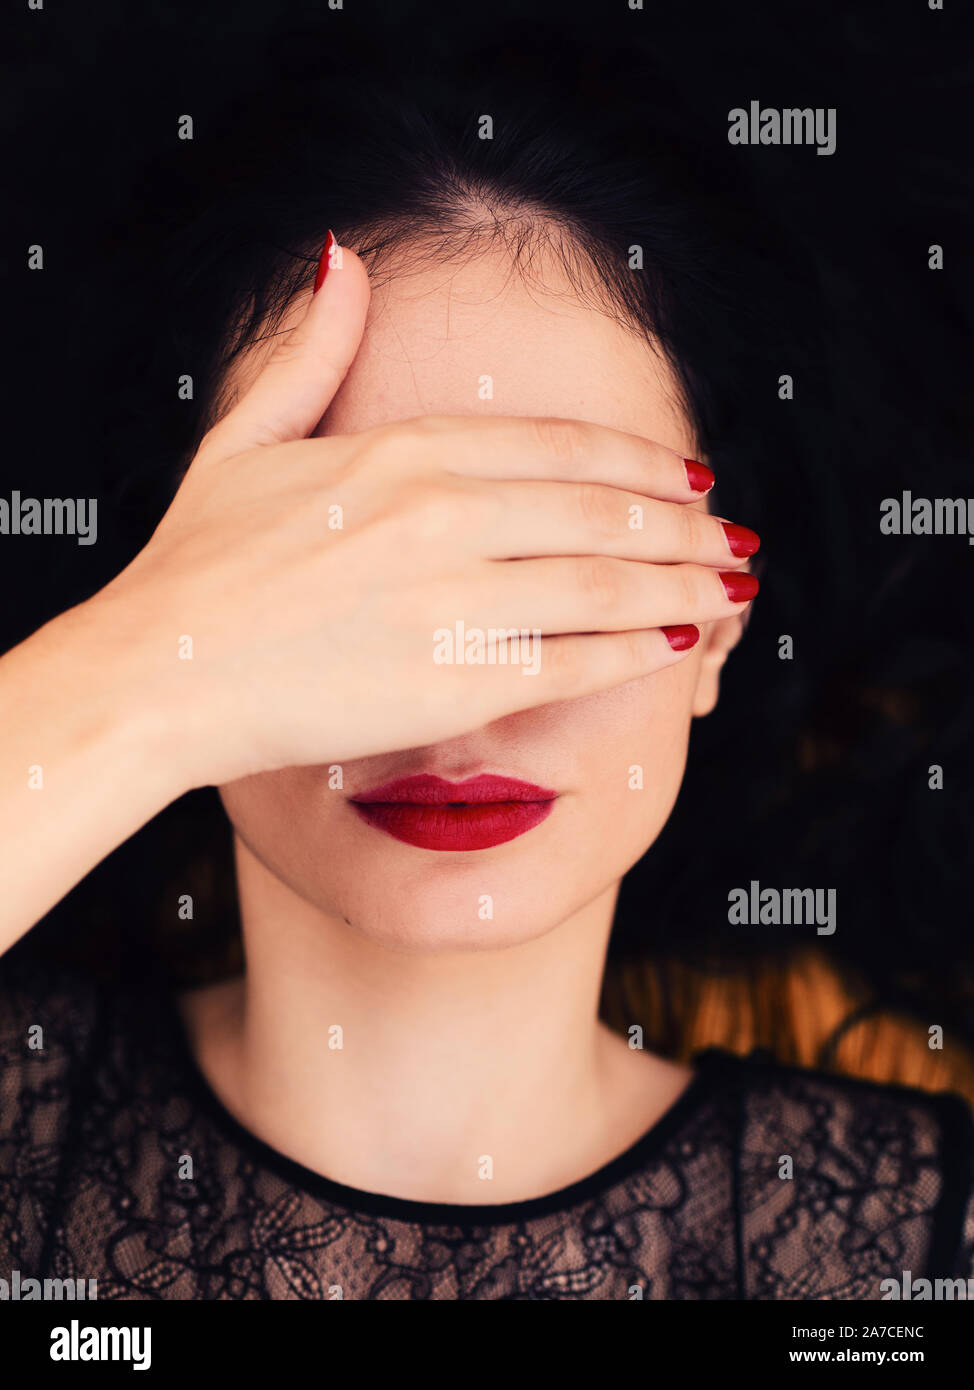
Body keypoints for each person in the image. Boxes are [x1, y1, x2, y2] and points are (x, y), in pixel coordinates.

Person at [2, 33, 972, 1300]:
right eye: (355, 575)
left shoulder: (915, 1248)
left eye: (555, 557)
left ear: (720, 623)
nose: (460, 685)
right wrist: (142, 675)